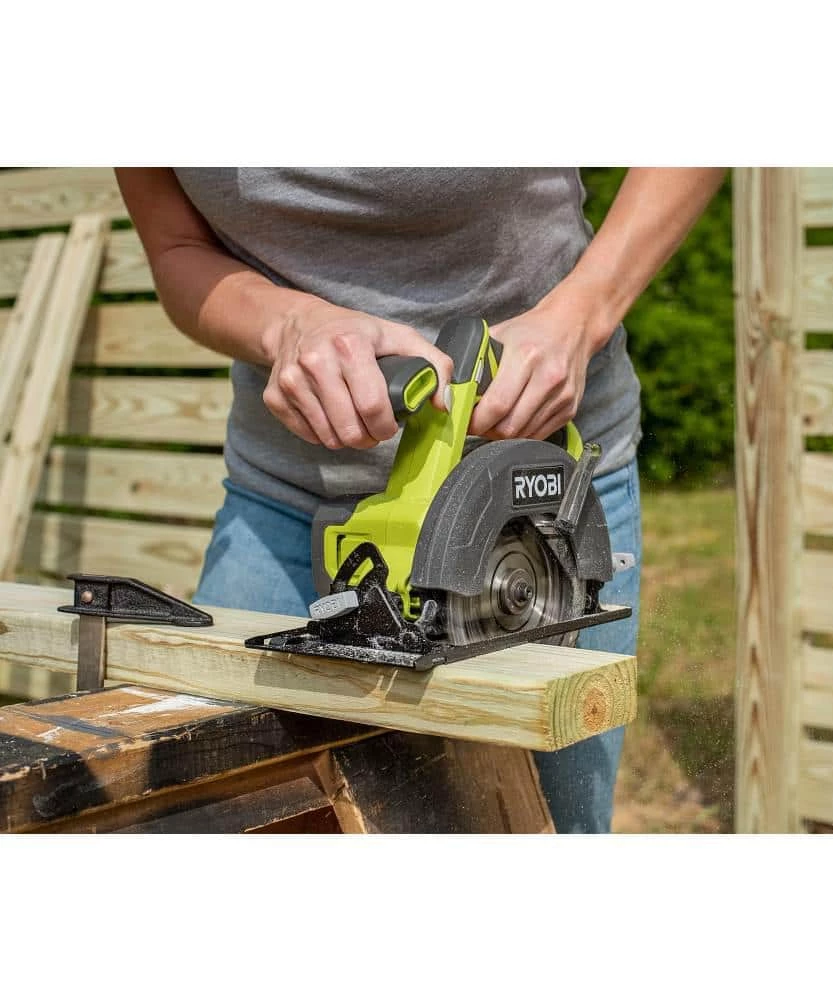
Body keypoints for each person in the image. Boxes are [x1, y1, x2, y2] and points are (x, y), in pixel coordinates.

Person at [115, 167, 725, 833]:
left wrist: (582, 314)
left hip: (541, 508)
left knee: (547, 828)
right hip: (287, 494)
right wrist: (288, 324)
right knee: (217, 812)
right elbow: (175, 248)